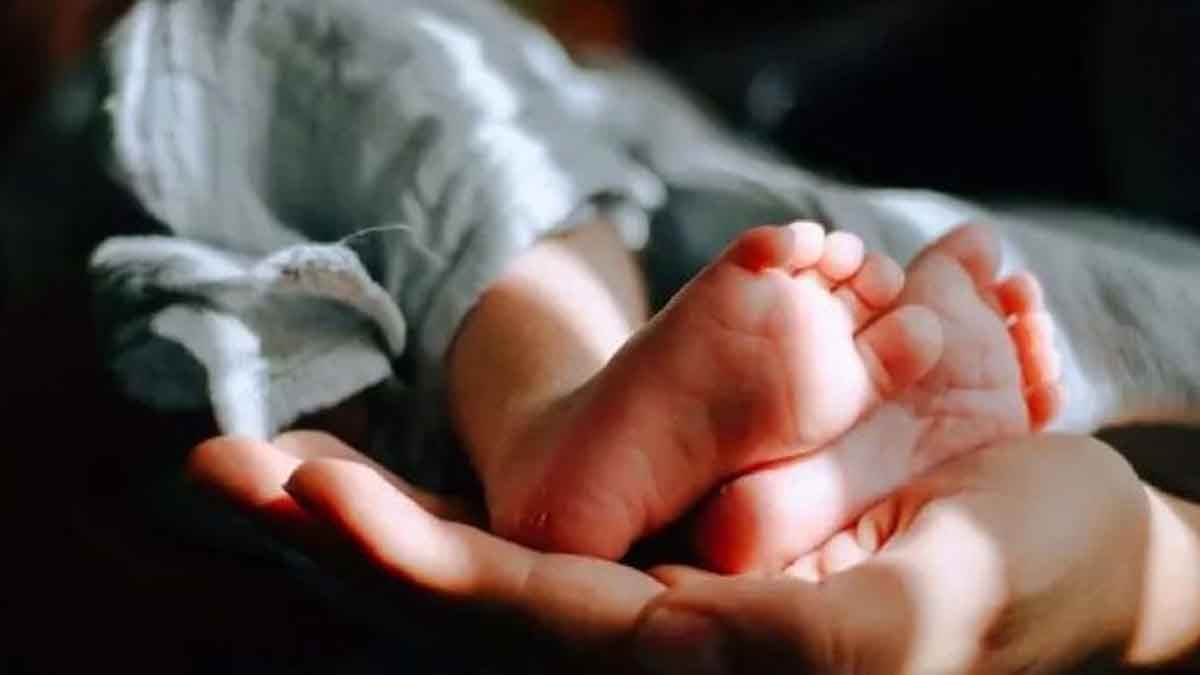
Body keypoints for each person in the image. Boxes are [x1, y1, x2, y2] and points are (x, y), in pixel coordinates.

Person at [91, 0, 1200, 671]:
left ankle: (559, 422)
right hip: (977, 288)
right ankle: (807, 472)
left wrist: (1150, 578)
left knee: (353, 55)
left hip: (721, 239)